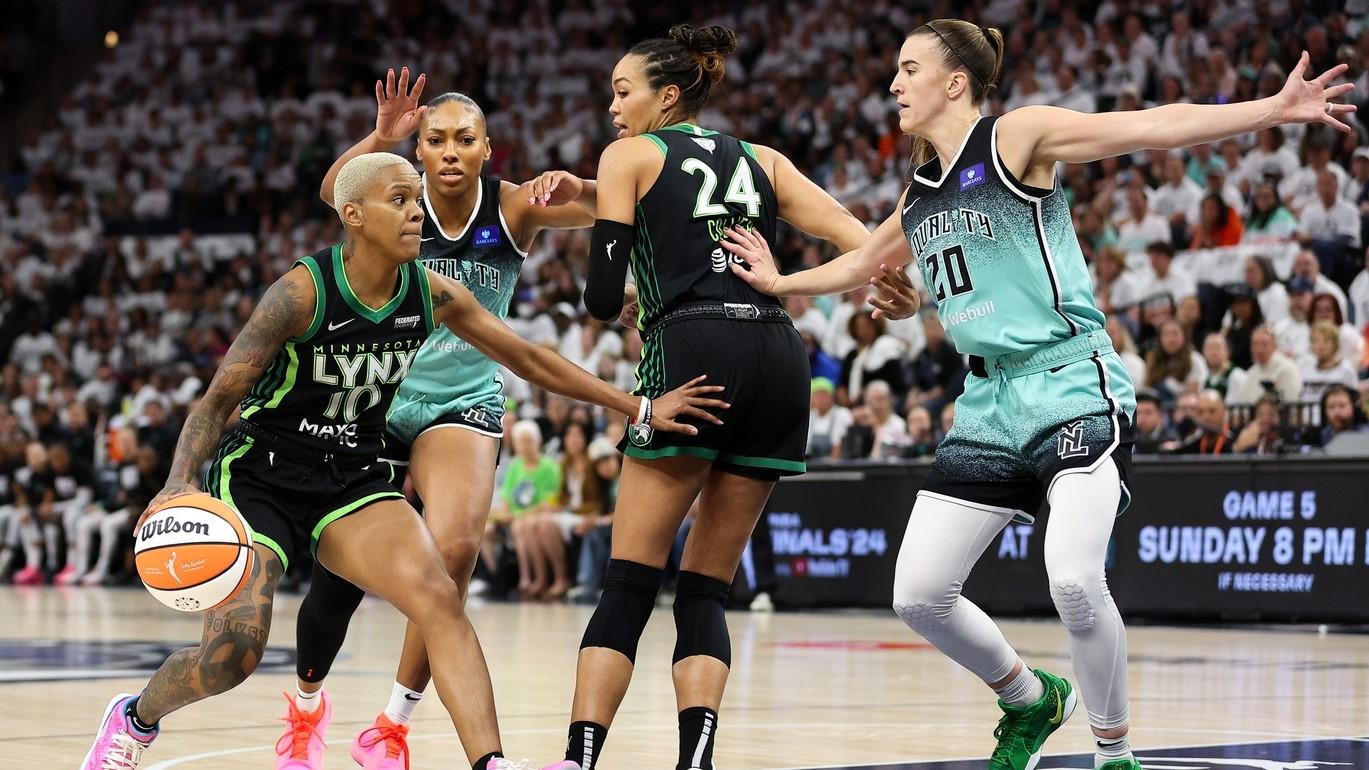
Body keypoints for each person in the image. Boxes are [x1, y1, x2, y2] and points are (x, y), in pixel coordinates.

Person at [722, 19, 1353, 770]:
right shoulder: (918, 195)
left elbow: (1151, 126)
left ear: (954, 82)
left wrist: (1267, 109)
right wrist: (783, 282)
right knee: (917, 595)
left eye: (907, 68)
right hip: (986, 405)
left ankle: (1113, 751)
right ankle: (1030, 698)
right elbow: (865, 259)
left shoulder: (1015, 138)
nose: (892, 84)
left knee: (1074, 581)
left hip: (1068, 380)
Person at [81, 153, 724, 770]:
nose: (418, 212)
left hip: (352, 475)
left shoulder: (432, 292)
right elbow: (218, 399)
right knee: (233, 655)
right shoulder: (301, 293)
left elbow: (528, 359)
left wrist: (635, 404)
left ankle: (493, 764)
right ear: (354, 215)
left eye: (418, 200)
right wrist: (177, 483)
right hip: (261, 475)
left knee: (439, 599)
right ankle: (134, 719)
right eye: (400, 200)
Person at [539, 24, 909, 770]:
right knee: (705, 588)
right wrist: (889, 283)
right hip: (777, 358)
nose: (611, 107)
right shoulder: (761, 158)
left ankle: (578, 761)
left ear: (665, 95)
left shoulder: (628, 155)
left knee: (629, 581)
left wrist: (603, 208)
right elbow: (853, 234)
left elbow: (601, 297)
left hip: (694, 350)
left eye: (622, 91)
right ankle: (696, 760)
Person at [284, 71, 610, 770]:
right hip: (374, 402)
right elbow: (330, 192)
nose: (451, 151)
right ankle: (307, 704)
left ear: (488, 148)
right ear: (420, 153)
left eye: (465, 139)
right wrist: (380, 137)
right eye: (436, 141)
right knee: (334, 590)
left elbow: (612, 205)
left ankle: (391, 727)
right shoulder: (395, 200)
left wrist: (577, 188)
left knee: (455, 550)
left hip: (460, 401)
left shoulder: (514, 208)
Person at [1234, 325, 1305, 404]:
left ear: (1274, 345)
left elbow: (1292, 404)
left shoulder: (1288, 369)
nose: (1259, 350)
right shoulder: (1251, 373)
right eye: (1255, 344)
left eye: (1264, 344)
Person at [1299, 321, 1358, 401]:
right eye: (1315, 341)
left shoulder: (1346, 369)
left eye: (1326, 341)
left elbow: (1354, 399)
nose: (1320, 346)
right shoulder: (1306, 368)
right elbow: (1301, 398)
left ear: (1335, 343)